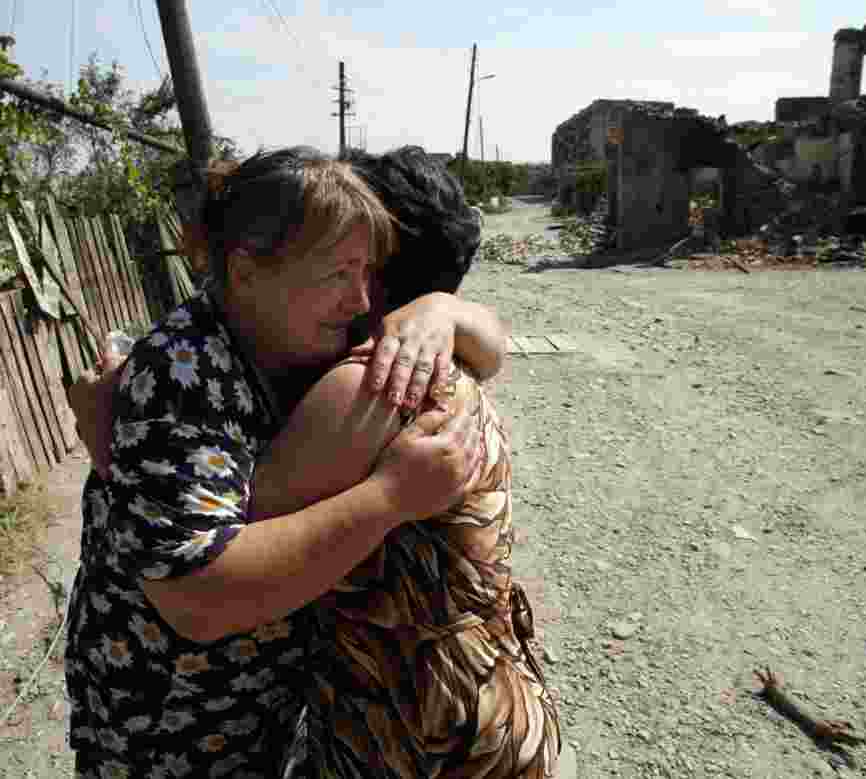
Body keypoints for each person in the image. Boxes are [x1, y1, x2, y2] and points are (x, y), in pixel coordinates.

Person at [64, 147, 508, 779]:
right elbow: (198, 598)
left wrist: (443, 309)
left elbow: (495, 342)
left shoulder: (296, 340)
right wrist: (388, 497)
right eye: (339, 273)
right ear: (246, 271)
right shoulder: (183, 375)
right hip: (170, 726)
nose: (359, 301)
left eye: (369, 272)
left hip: (253, 714)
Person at [251, 146, 563, 778]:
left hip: (417, 729)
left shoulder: (369, 384)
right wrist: (447, 308)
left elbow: (231, 539)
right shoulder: (444, 356)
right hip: (489, 702)